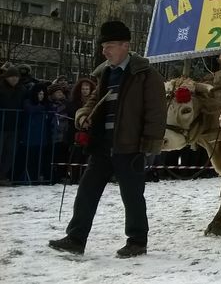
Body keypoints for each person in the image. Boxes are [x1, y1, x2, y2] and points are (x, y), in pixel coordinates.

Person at [48, 21, 167, 258]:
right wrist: (83, 114)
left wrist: (148, 145)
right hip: (102, 145)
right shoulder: (106, 73)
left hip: (130, 146)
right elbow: (93, 101)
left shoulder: (146, 74)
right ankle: (75, 238)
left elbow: (156, 112)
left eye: (109, 46)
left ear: (125, 46)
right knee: (87, 191)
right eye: (103, 47)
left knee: (132, 196)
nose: (104, 51)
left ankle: (137, 241)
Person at [0, 67, 27, 185]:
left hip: (14, 125)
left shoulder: (22, 89)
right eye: (11, 76)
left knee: (10, 152)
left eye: (16, 76)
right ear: (6, 77)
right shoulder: (1, 87)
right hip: (1, 124)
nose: (14, 79)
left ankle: (2, 175)